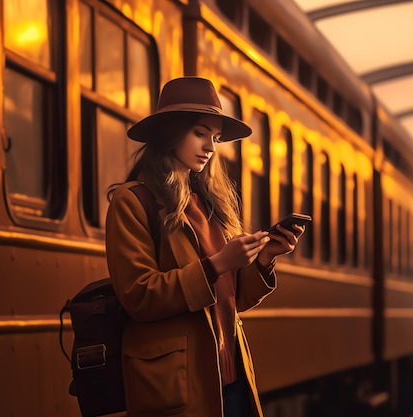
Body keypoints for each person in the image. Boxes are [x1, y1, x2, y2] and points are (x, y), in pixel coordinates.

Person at [105, 77, 305, 417]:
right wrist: (216, 265)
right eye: (200, 133)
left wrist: (264, 260)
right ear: (170, 132)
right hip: (178, 384)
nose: (211, 147)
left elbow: (230, 300)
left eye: (215, 138)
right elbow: (138, 295)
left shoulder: (209, 206)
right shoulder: (132, 202)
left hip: (230, 377)